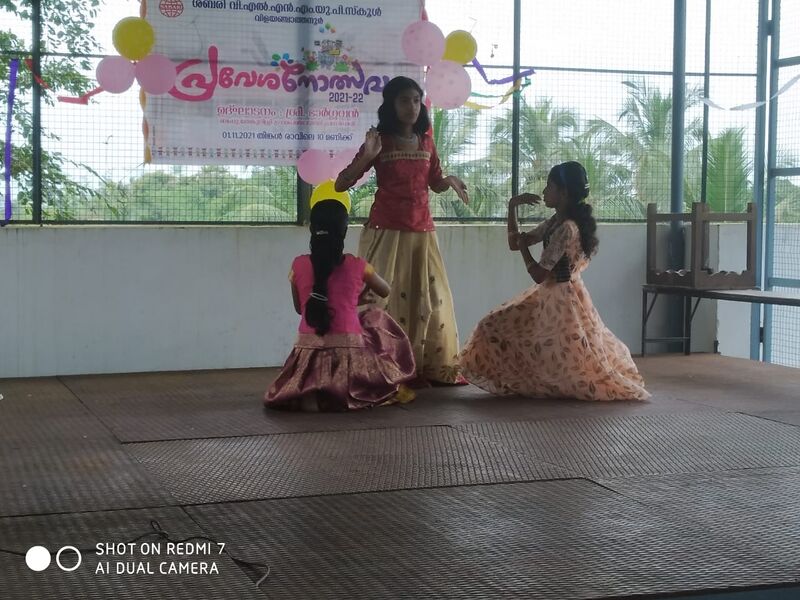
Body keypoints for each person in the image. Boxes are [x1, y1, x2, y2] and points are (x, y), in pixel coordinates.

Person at [458, 161, 651, 401]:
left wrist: (523, 250)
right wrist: (511, 207)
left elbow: (538, 274)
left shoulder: (567, 228)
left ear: (564, 193)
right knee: (497, 326)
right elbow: (515, 242)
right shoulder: (555, 223)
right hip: (552, 294)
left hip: (561, 300)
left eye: (549, 186)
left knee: (562, 354)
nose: (544, 191)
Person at [334, 76, 468, 385]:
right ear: (391, 105)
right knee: (378, 300)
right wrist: (367, 157)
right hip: (386, 232)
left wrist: (448, 180)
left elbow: (434, 182)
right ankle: (377, 365)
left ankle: (420, 365)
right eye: (404, 100)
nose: (411, 107)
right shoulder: (381, 140)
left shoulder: (427, 141)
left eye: (416, 100)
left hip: (422, 232)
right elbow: (341, 184)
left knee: (427, 299)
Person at [265, 199, 416, 411]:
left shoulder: (298, 264)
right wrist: (357, 298)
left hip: (307, 349)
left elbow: (301, 309)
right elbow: (385, 290)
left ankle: (311, 391)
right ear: (344, 232)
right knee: (375, 316)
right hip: (350, 353)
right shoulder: (359, 266)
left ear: (312, 229)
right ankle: (338, 392)